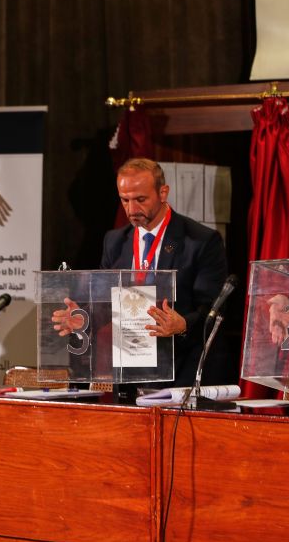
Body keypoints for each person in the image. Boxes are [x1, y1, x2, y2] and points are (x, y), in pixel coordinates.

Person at [52, 158, 228, 389]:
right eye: (125, 200)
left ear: (163, 193)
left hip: (182, 371)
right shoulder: (114, 242)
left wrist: (183, 324)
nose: (132, 210)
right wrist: (85, 318)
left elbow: (214, 310)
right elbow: (106, 303)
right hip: (129, 370)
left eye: (140, 200)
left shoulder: (201, 241)